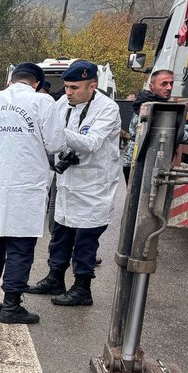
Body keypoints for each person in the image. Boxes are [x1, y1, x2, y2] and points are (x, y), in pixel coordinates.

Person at [0, 63, 65, 324]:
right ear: (37, 84)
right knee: (20, 247)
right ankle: (11, 306)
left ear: (10, 80)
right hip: (25, 187)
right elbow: (55, 144)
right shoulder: (43, 102)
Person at [27, 61, 121, 306]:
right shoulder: (62, 104)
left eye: (74, 88)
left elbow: (91, 143)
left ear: (92, 86)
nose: (68, 92)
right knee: (60, 233)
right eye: (66, 87)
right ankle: (55, 277)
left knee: (85, 238)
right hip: (66, 181)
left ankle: (82, 288)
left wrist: (55, 131)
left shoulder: (107, 109)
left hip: (93, 185)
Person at [122, 69, 188, 181]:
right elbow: (170, 135)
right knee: (143, 198)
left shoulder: (150, 102)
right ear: (151, 87)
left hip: (144, 162)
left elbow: (168, 127)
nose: (169, 88)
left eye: (171, 83)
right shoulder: (150, 107)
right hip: (141, 164)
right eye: (164, 84)